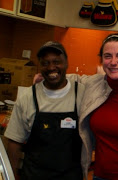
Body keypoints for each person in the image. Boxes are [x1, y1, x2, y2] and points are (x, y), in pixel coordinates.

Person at [34, 33, 118, 180]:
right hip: (98, 176)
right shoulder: (95, 85)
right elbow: (76, 79)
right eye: (108, 56)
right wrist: (49, 76)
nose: (113, 62)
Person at [4, 41, 85, 180]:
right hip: (34, 175)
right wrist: (9, 176)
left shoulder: (82, 94)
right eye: (45, 63)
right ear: (40, 66)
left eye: (56, 62)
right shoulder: (28, 97)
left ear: (66, 63)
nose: (51, 67)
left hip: (71, 176)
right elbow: (14, 142)